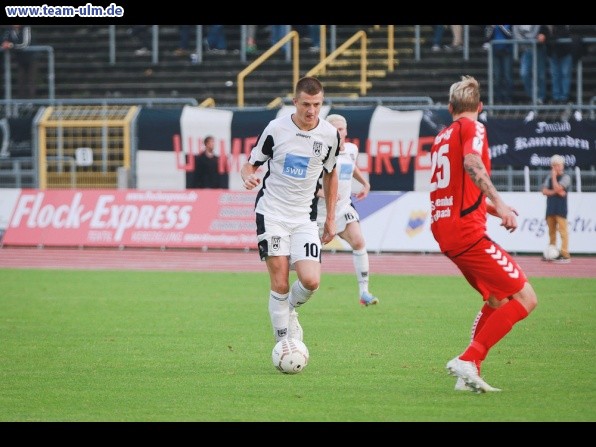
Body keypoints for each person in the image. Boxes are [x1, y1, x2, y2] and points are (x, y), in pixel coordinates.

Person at [429, 75, 538, 393]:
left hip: (446, 230)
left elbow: (454, 190)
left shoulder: (441, 137)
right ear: (480, 107)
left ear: (450, 107)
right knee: (525, 298)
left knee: (496, 297)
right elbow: (473, 163)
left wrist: (490, 209)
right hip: (466, 233)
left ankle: (468, 373)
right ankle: (469, 358)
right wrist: (501, 204)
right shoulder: (472, 128)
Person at [240, 76, 340, 345]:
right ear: (295, 102)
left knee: (310, 281)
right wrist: (247, 176)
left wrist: (330, 218)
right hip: (271, 213)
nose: (311, 111)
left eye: (317, 105)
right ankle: (283, 343)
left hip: (304, 218)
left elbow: (331, 174)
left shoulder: (330, 135)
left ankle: (289, 311)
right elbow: (250, 164)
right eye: (306, 104)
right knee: (281, 282)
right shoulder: (276, 129)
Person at [316, 114, 379, 306]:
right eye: (333, 128)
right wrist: (327, 195)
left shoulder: (351, 150)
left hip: (343, 209)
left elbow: (351, 167)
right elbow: (308, 185)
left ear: (346, 131)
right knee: (305, 264)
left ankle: (364, 292)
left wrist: (364, 183)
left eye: (341, 129)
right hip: (318, 214)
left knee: (359, 241)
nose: (338, 132)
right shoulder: (320, 154)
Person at [541, 154, 571, 263]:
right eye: (554, 165)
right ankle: (552, 253)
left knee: (563, 232)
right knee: (551, 233)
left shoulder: (566, 177)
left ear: (562, 166)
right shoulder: (548, 177)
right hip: (550, 209)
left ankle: (565, 254)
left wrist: (554, 178)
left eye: (559, 165)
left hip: (561, 209)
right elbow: (544, 191)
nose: (557, 167)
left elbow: (558, 187)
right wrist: (556, 192)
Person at [512, 25, 547, 106]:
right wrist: (526, 41)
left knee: (540, 74)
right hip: (526, 49)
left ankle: (541, 97)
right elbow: (516, 34)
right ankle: (532, 96)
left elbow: (536, 31)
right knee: (524, 74)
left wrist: (527, 37)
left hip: (538, 48)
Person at [1, 25, 37, 99]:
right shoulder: (9, 30)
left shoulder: (26, 28)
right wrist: (4, 43)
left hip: (31, 58)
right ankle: (21, 101)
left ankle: (32, 101)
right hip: (20, 59)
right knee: (21, 80)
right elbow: (4, 39)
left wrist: (11, 45)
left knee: (31, 80)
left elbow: (25, 44)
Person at [543, 25, 574, 104]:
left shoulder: (562, 26)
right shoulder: (545, 27)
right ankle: (556, 96)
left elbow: (562, 34)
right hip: (553, 52)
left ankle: (564, 96)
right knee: (555, 75)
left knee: (565, 73)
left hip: (565, 52)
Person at [484, 25, 513, 103]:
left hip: (507, 51)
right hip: (495, 52)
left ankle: (508, 99)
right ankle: (498, 99)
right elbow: (487, 38)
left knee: (508, 76)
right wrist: (491, 28)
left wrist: (501, 26)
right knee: (497, 76)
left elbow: (510, 35)